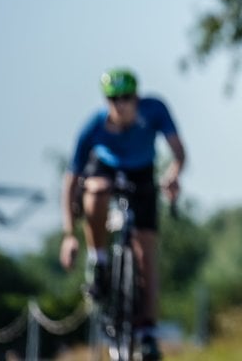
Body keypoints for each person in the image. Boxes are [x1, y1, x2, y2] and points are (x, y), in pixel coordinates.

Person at [59, 69, 187, 361]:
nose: (120, 104)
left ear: (136, 98)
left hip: (142, 173)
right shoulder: (93, 127)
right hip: (104, 169)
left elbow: (179, 152)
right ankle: (99, 259)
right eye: (113, 99)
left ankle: (147, 332)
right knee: (97, 191)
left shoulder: (155, 110)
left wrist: (173, 174)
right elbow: (70, 182)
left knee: (146, 255)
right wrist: (69, 235)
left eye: (126, 98)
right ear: (106, 101)